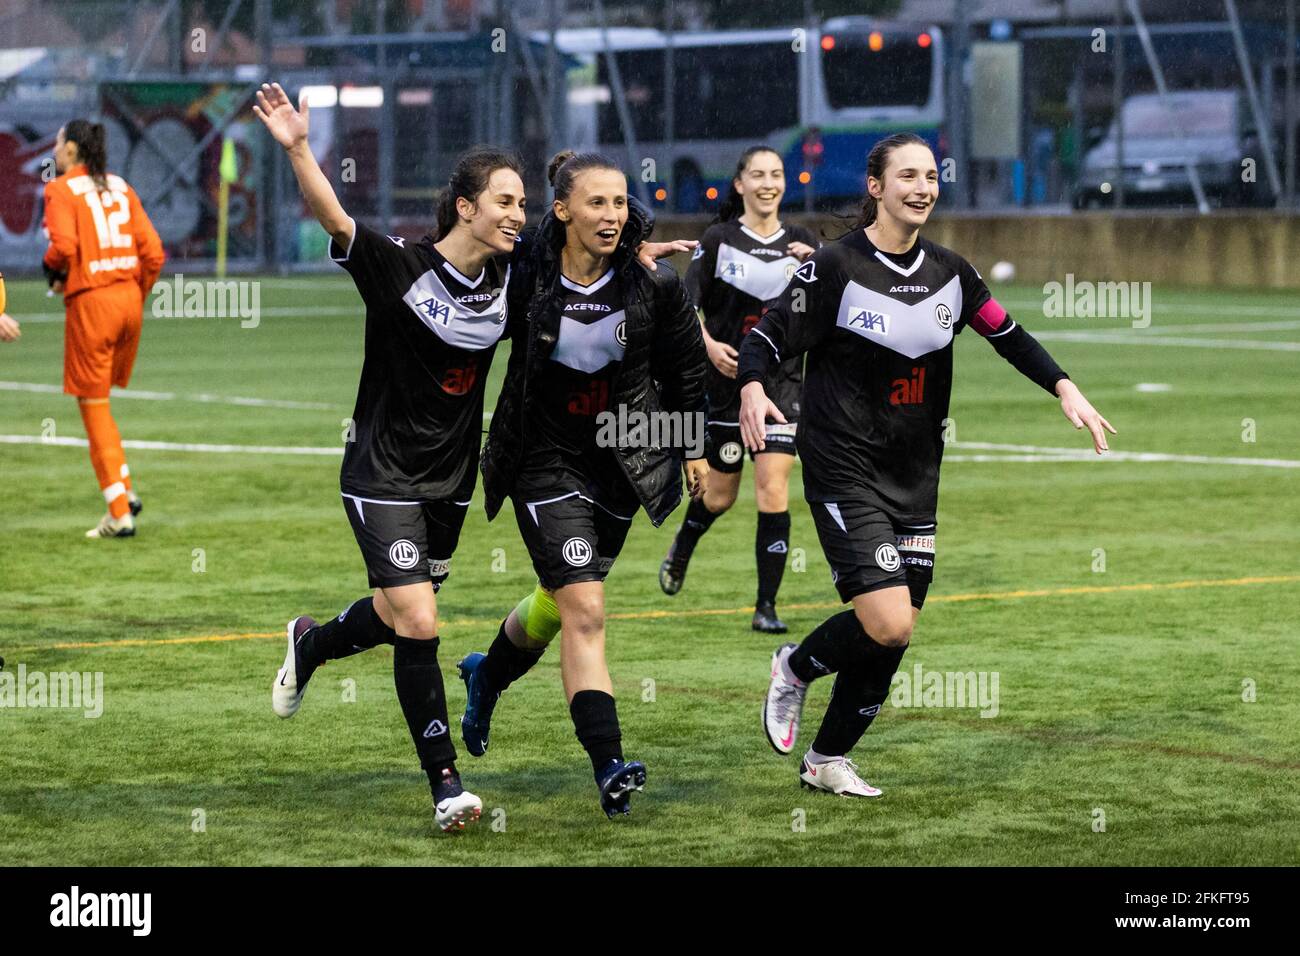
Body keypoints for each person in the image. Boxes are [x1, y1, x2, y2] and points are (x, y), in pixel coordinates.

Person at [739, 133, 1115, 797]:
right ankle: (794, 667)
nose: (923, 186)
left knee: (892, 638)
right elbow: (768, 335)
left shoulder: (953, 273)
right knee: (889, 620)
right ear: (877, 187)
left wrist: (1064, 387)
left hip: (914, 476)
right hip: (842, 467)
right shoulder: (834, 267)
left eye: (932, 174)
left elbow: (1008, 335)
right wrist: (751, 385)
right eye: (906, 175)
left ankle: (826, 760)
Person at [254, 82, 524, 832]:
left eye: (524, 204)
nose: (516, 215)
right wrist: (302, 149)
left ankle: (312, 643)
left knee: (395, 612)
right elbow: (336, 219)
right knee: (421, 618)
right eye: (504, 201)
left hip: (451, 482)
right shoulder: (398, 267)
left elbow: (584, 276)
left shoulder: (509, 282)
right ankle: (447, 787)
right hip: (379, 470)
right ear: (466, 206)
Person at [460, 151, 710, 818]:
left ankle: (486, 676)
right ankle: (609, 765)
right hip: (543, 461)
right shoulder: (526, 274)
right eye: (597, 203)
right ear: (563, 210)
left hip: (624, 461)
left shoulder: (652, 283)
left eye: (621, 203)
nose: (612, 215)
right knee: (588, 608)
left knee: (559, 601)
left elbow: (686, 367)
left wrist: (691, 447)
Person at [658, 145, 817, 633]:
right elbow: (683, 306)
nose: (769, 182)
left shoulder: (803, 242)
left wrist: (820, 266)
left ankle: (765, 606)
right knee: (720, 496)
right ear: (741, 184)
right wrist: (707, 345)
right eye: (758, 174)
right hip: (724, 389)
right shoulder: (719, 239)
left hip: (782, 387)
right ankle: (684, 542)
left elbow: (829, 309)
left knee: (773, 488)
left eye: (777, 174)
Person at [42, 120, 165, 538]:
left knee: (92, 408)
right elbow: (154, 253)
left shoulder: (59, 190)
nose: (55, 150)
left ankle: (118, 512)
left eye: (59, 143)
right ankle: (126, 490)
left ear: (73, 150)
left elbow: (64, 248)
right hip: (128, 302)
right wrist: (133, 293)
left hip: (92, 306)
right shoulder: (120, 185)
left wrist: (50, 269)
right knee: (102, 404)